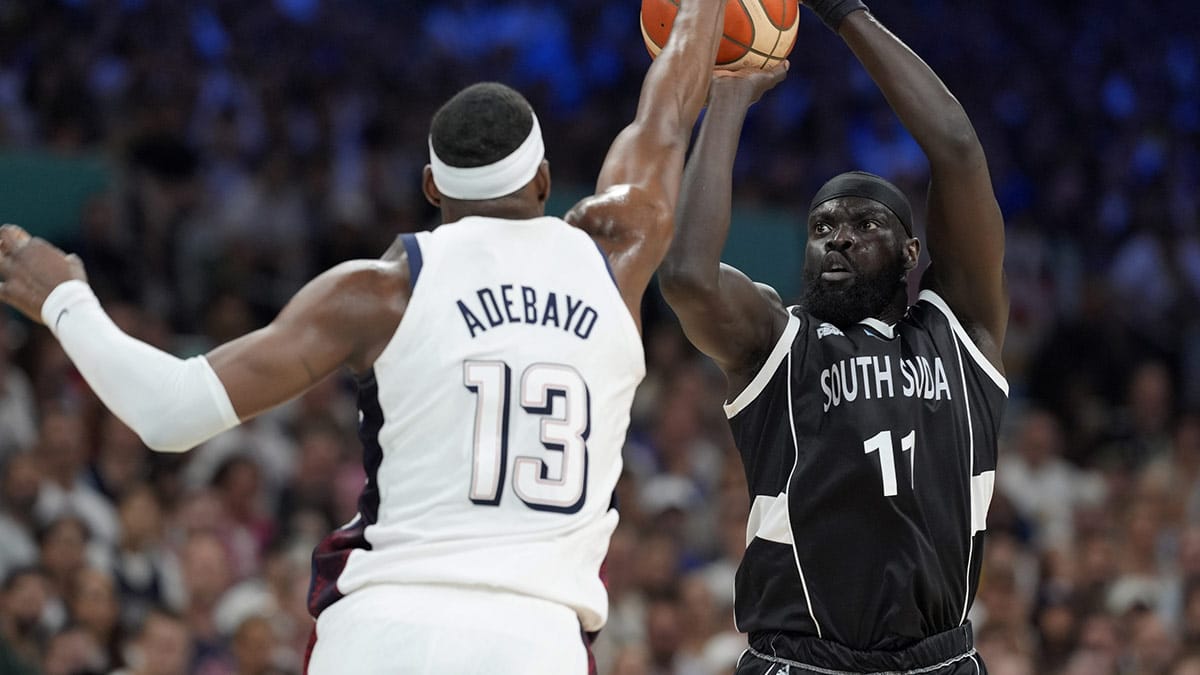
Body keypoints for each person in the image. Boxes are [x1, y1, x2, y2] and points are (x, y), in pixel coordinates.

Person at [0, 0, 728, 671]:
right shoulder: (615, 255)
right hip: (535, 640)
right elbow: (665, 112)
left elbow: (170, 411)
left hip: (386, 632)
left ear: (431, 187)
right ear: (542, 180)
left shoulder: (379, 291)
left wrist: (64, 297)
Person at [658, 1, 1008, 673]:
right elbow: (688, 279)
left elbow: (958, 149)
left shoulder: (959, 333)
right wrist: (728, 96)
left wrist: (847, 13)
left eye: (863, 224)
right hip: (802, 662)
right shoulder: (778, 339)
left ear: (912, 252)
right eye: (822, 226)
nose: (839, 235)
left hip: (939, 661)